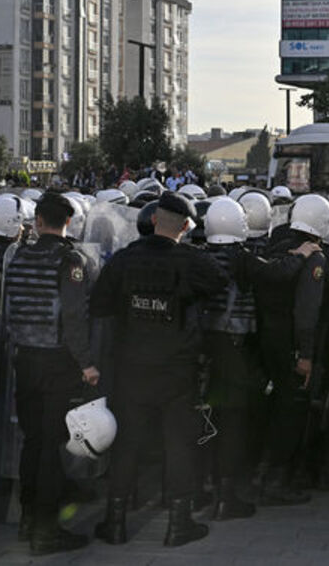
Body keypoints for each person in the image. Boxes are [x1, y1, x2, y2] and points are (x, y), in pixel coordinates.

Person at [90, 192, 229, 548]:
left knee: (128, 443)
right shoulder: (192, 261)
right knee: (179, 444)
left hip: (132, 366)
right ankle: (178, 525)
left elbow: (100, 304)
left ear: (153, 220)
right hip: (176, 367)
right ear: (185, 226)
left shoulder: (123, 259)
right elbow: (219, 284)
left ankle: (115, 522)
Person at [197, 198, 316, 521]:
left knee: (210, 418)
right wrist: (301, 255)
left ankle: (204, 486)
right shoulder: (241, 258)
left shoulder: (201, 256)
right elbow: (275, 274)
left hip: (205, 346)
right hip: (235, 348)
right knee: (234, 421)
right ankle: (226, 496)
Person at [2, 192, 98, 555]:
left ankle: (28, 517)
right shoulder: (70, 259)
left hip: (24, 358)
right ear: (68, 223)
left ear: (38, 221)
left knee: (32, 441)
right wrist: (87, 363)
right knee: (50, 446)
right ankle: (46, 532)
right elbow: (73, 318)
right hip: (57, 362)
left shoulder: (19, 255)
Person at [252, 194, 329, 505]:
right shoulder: (313, 258)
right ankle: (276, 481)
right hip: (292, 346)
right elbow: (307, 312)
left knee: (274, 409)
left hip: (268, 340)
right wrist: (307, 354)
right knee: (291, 412)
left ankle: (261, 472)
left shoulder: (276, 248)